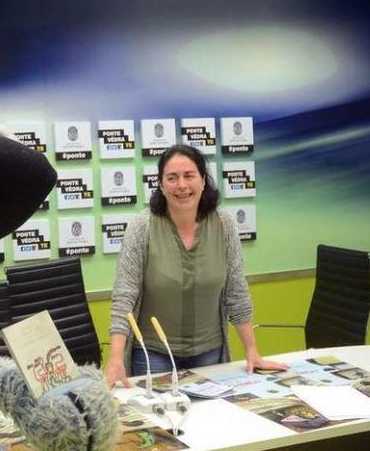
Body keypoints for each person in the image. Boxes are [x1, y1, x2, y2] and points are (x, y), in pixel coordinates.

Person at [105, 144, 287, 388]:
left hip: (209, 353)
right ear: (160, 184)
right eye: (172, 178)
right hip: (154, 354)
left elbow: (236, 291)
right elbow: (124, 297)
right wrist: (116, 358)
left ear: (203, 180)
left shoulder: (224, 224)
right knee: (161, 422)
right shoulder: (142, 227)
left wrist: (252, 350)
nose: (181, 185)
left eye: (189, 176)